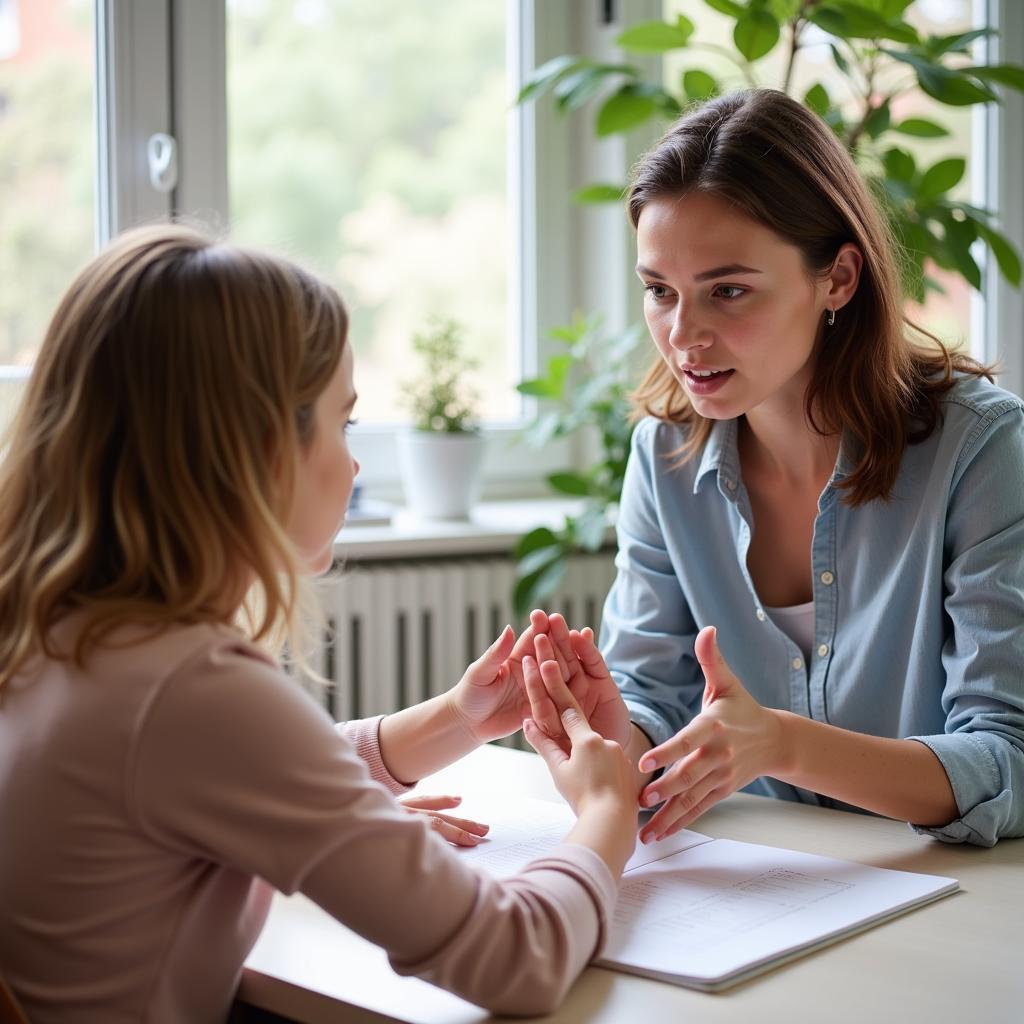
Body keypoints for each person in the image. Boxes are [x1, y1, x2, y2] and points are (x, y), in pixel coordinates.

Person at [0, 225, 639, 1022]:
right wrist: (607, 814)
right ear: (258, 450)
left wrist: (452, 721)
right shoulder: (188, 689)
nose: (356, 462)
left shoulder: (59, 633)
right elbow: (514, 960)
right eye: (343, 426)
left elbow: (232, 768)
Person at [531, 88, 1024, 849]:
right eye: (660, 292)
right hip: (760, 891)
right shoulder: (663, 457)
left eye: (727, 290)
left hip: (950, 898)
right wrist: (608, 736)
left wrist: (784, 743)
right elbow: (652, 703)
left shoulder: (979, 447)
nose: (683, 335)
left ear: (838, 279)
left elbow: (1008, 757)